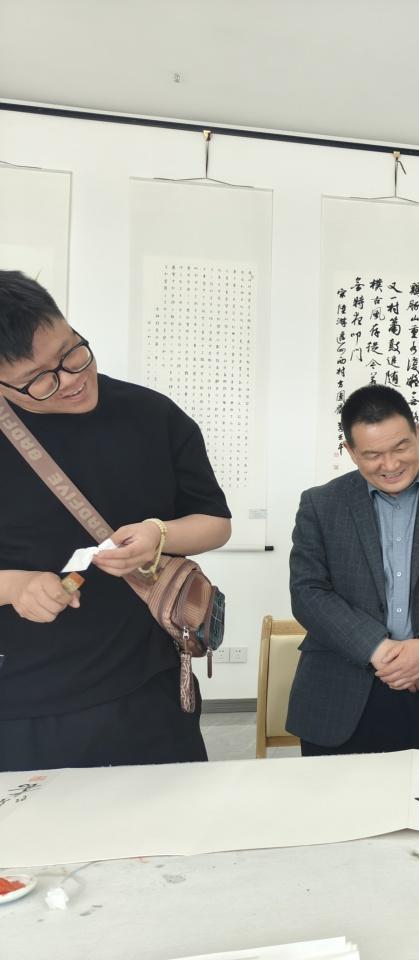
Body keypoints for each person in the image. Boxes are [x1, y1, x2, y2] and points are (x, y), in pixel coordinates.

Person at [0, 270, 231, 772]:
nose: (71, 380)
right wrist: (15, 586)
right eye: (38, 379)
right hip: (25, 707)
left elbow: (215, 522)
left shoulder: (152, 415)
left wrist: (160, 534)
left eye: (71, 352)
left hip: (151, 691)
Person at [286, 385, 419, 755]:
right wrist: (379, 650)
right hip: (339, 694)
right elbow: (308, 593)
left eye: (400, 447)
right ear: (351, 452)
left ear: (417, 432)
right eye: (373, 455)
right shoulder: (321, 504)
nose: (391, 464)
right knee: (339, 794)